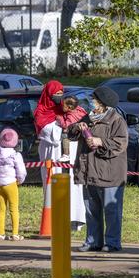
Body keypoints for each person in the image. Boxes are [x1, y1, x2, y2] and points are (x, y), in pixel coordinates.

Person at [69, 86, 128, 253]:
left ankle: (112, 242)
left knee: (111, 210)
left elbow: (120, 143)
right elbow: (71, 133)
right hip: (89, 172)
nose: (90, 103)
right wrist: (77, 127)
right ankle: (93, 241)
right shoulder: (87, 118)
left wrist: (100, 142)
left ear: (103, 103)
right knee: (91, 210)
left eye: (93, 100)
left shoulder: (116, 120)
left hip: (110, 174)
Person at [34, 80, 86, 229]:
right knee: (54, 187)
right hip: (53, 155)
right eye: (55, 94)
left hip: (72, 154)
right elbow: (51, 135)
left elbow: (78, 119)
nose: (59, 96)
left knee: (73, 186)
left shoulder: (66, 108)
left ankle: (74, 220)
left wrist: (72, 124)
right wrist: (65, 127)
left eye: (61, 93)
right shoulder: (41, 112)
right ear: (48, 95)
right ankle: (55, 221)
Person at [0, 128, 27, 241]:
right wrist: (19, 181)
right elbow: (21, 171)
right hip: (11, 183)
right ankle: (15, 234)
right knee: (14, 209)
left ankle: (1, 233)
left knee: (1, 209)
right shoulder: (15, 155)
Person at [56, 96, 87, 163]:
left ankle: (66, 154)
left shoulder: (71, 115)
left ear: (69, 107)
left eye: (63, 105)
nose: (61, 106)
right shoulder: (80, 109)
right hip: (82, 133)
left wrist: (60, 118)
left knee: (65, 135)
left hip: (75, 134)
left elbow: (66, 126)